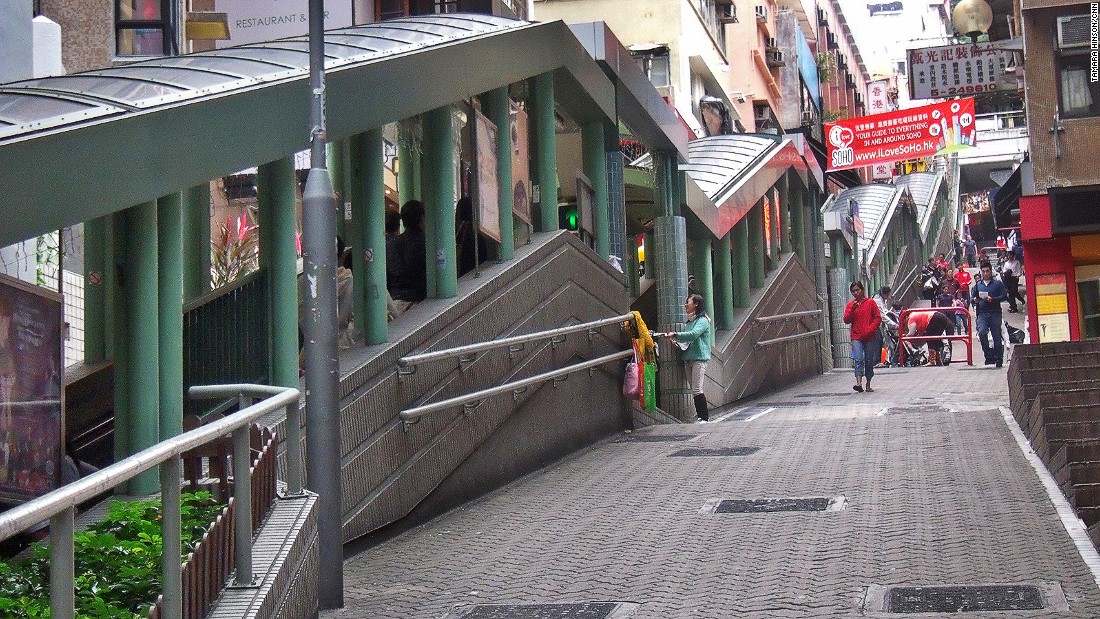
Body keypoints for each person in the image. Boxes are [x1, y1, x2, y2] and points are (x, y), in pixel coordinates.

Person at [656, 294, 712, 422]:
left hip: (699, 359)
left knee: (697, 388)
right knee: (694, 389)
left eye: (688, 302)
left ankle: (704, 418)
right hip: (688, 359)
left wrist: (675, 334)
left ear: (696, 304)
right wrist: (676, 341)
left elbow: (693, 335)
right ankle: (701, 418)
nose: (685, 305)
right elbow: (688, 340)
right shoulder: (690, 322)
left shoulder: (702, 321)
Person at [843, 281, 882, 393]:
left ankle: (868, 383)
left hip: (869, 337)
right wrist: (852, 309)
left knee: (869, 360)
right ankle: (858, 383)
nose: (855, 293)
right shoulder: (851, 305)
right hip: (856, 336)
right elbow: (846, 320)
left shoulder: (870, 303)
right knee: (858, 358)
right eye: (853, 291)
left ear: (862, 290)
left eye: (857, 290)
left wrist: (870, 329)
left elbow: (877, 318)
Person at [391, 200, 427, 308]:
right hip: (419, 299)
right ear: (421, 218)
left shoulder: (396, 242)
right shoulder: (427, 242)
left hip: (397, 299)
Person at [972, 260, 1008, 367]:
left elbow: (1004, 297)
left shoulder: (997, 284)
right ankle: (988, 355)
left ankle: (998, 358)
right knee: (982, 332)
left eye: (987, 271)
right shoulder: (978, 285)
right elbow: (972, 298)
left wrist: (993, 299)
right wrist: (975, 300)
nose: (985, 273)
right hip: (982, 313)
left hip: (995, 312)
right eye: (983, 271)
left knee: (996, 335)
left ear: (991, 272)